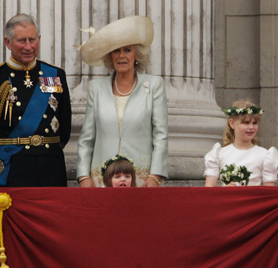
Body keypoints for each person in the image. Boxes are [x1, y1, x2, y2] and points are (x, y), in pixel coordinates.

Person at [76, 16, 168, 187]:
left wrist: (155, 175)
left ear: (137, 55)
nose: (121, 56)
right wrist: (83, 176)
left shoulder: (154, 85)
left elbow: (161, 135)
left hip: (143, 180)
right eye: (116, 51)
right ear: (110, 56)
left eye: (127, 50)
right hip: (102, 180)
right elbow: (87, 138)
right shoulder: (96, 88)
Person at [0, 14, 71, 186]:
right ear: (8, 42)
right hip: (12, 166)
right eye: (21, 41)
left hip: (50, 165)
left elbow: (65, 125)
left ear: (39, 39)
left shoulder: (55, 75)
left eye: (32, 40)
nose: (28, 47)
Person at [204, 100, 278, 186]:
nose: (251, 127)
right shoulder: (219, 154)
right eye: (246, 123)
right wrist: (225, 190)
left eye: (254, 123)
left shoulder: (265, 155)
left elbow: (269, 192)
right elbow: (209, 190)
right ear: (232, 123)